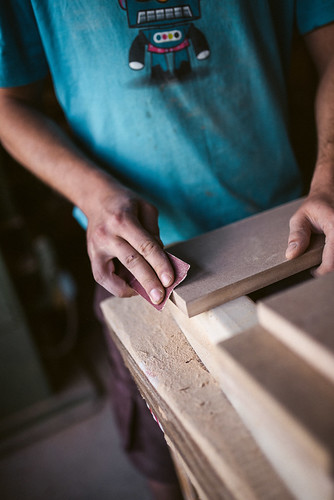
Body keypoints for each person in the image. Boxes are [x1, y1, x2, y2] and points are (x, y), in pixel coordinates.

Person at [1, 1, 334, 498]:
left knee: (302, 439)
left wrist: (329, 176)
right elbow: (8, 103)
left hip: (286, 231)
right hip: (136, 259)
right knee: (174, 456)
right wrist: (94, 196)